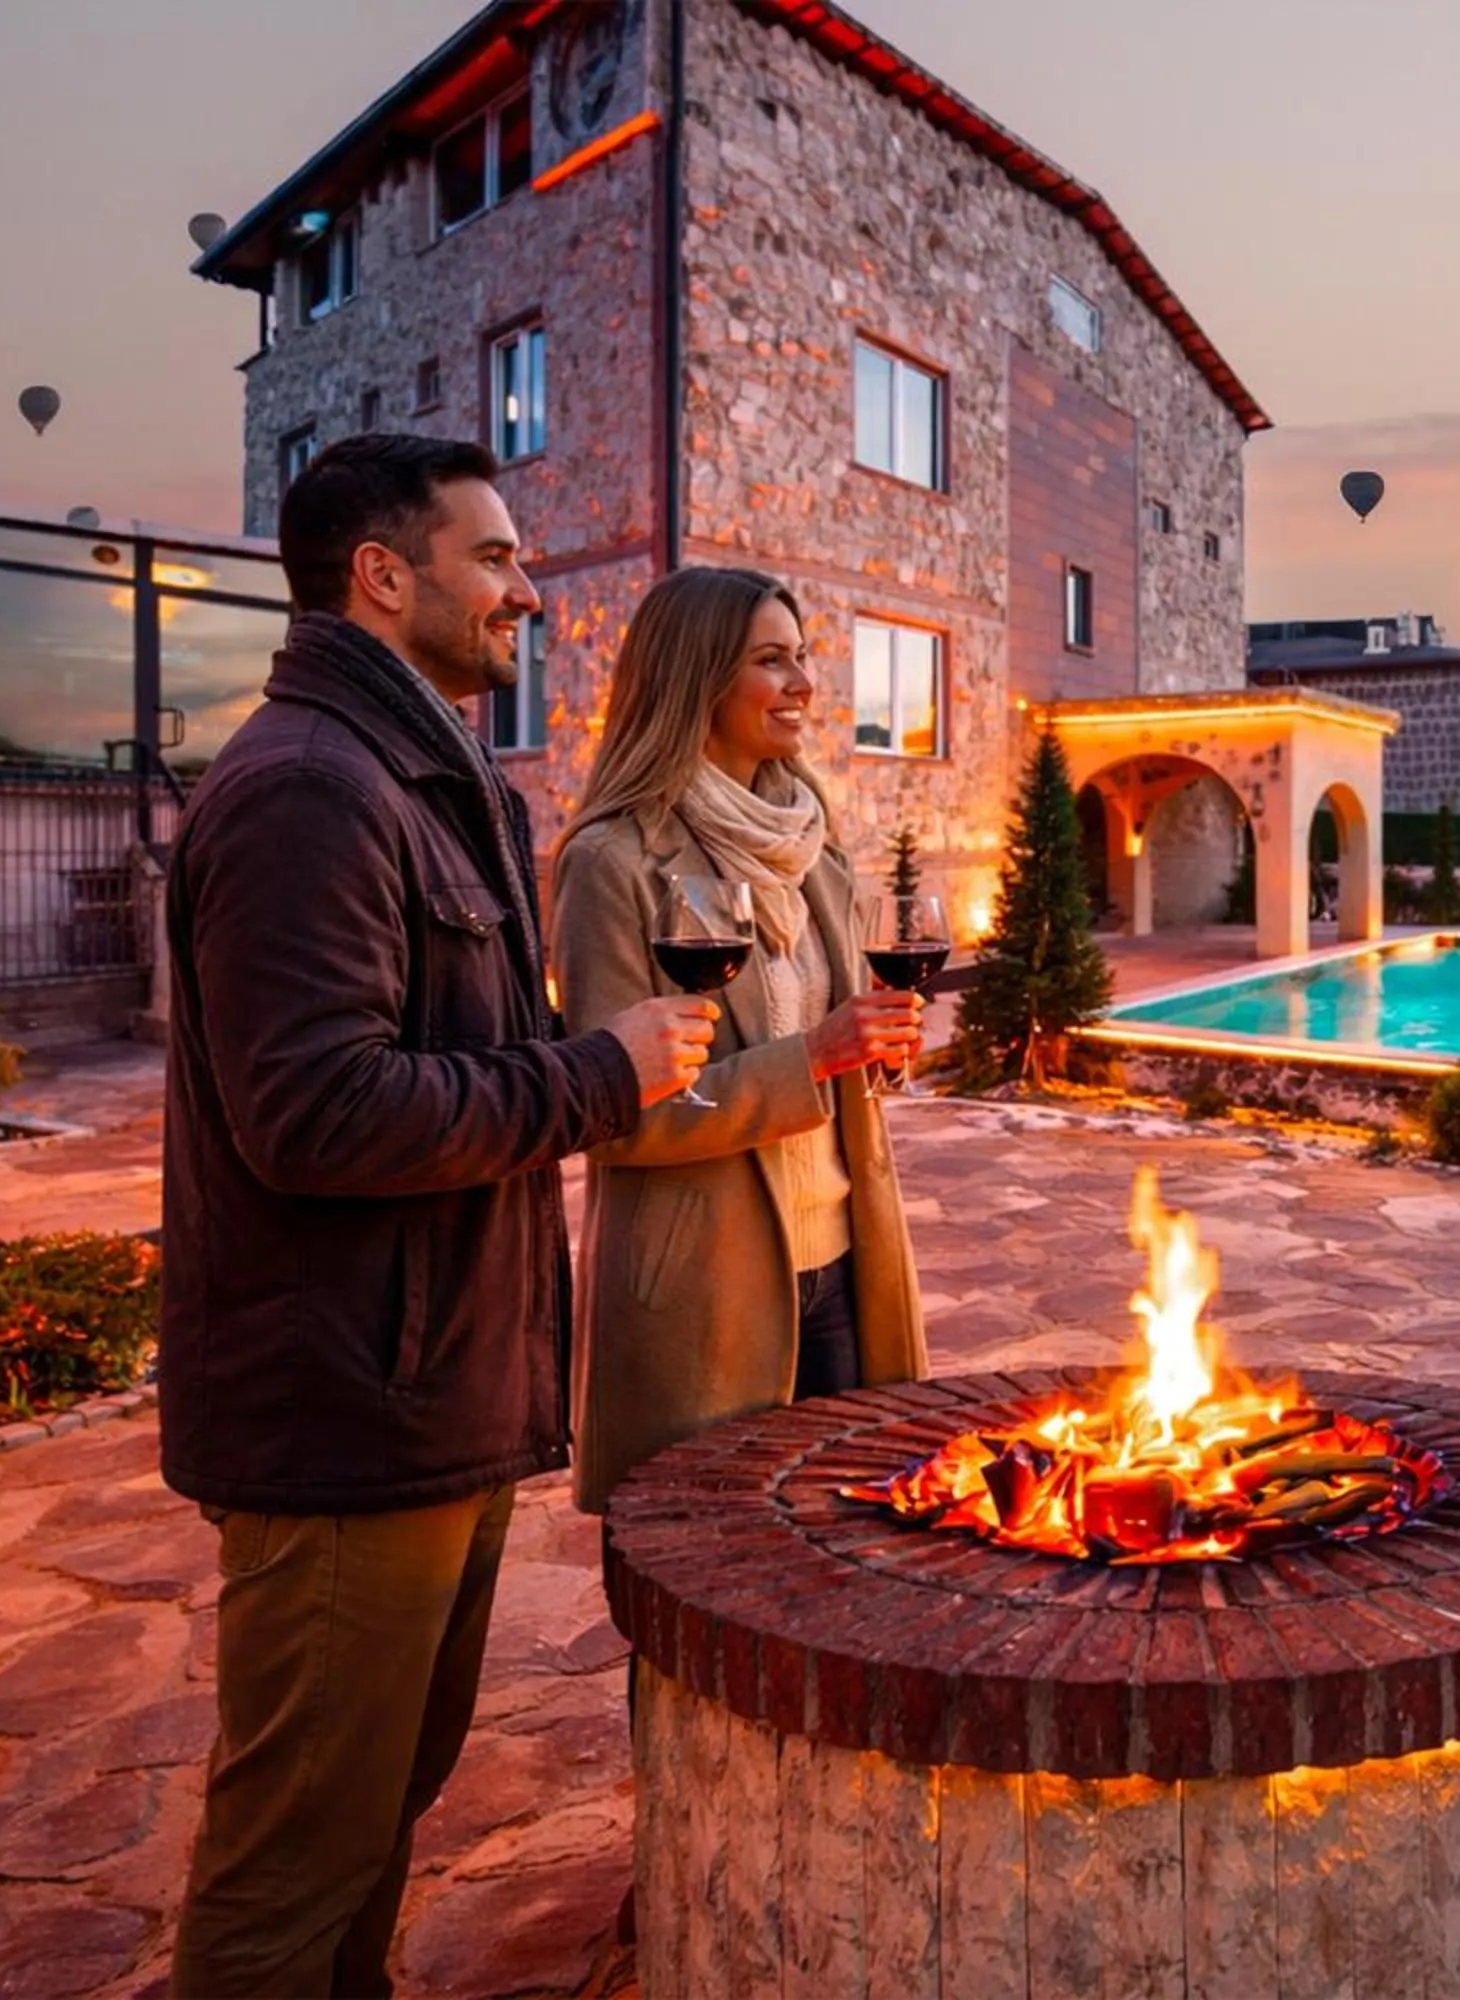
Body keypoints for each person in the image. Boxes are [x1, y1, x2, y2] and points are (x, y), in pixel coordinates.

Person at [159, 434, 715, 1996]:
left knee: (372, 1820)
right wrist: (597, 1075)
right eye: (496, 559)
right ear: (381, 577)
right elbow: (320, 1115)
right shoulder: (307, 794)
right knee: (291, 1863)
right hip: (344, 1414)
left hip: (422, 1397)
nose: (529, 593)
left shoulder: (415, 776)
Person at [548, 564, 928, 1523]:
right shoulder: (616, 863)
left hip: (842, 1263)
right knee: (711, 1583)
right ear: (696, 679)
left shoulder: (815, 849)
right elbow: (619, 1121)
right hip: (706, 1291)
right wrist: (816, 1059)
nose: (804, 683)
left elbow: (837, 1059)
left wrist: (875, 1054)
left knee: (856, 1560)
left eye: (802, 656)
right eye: (771, 660)